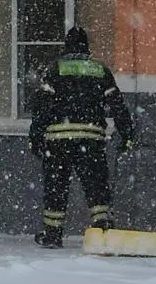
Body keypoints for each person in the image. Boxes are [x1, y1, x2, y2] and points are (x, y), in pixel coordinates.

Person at [27, 26, 135, 248]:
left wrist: (35, 137)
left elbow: (41, 108)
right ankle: (103, 231)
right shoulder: (100, 70)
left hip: (58, 141)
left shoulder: (54, 69)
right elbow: (117, 105)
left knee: (56, 188)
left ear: (66, 46)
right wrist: (126, 134)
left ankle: (52, 235)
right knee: (96, 186)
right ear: (86, 47)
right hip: (91, 139)